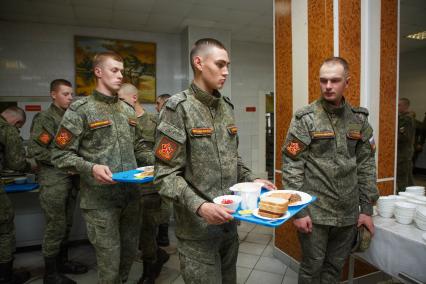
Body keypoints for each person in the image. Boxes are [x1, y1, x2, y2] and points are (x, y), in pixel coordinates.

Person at [154, 38, 276, 284]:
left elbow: (233, 157)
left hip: (229, 225)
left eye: (228, 65)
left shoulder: (226, 107)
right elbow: (164, 175)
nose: (226, 71)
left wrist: (252, 179)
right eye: (220, 64)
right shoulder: (177, 109)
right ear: (198, 63)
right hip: (197, 230)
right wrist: (200, 206)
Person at [51, 51, 147, 283]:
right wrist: (90, 167)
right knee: (110, 263)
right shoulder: (81, 109)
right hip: (100, 201)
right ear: (98, 72)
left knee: (128, 257)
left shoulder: (127, 110)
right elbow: (59, 154)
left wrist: (155, 161)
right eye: (114, 70)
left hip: (131, 199)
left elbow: (139, 147)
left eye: (122, 71)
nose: (120, 75)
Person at [282, 57, 379, 283]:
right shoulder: (305, 118)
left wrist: (366, 209)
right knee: (311, 268)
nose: (328, 86)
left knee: (335, 269)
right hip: (314, 214)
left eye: (334, 80)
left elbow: (366, 166)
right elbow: (292, 165)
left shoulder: (359, 119)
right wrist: (298, 211)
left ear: (347, 82)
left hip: (348, 214)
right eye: (323, 80)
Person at [28, 79, 88, 284]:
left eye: (71, 94)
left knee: (66, 223)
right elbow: (36, 150)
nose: (70, 98)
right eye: (65, 94)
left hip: (71, 180)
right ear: (53, 94)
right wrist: (65, 163)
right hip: (54, 180)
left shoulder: (71, 118)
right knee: (56, 225)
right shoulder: (45, 118)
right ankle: (50, 274)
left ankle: (62, 263)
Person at [117, 84, 169, 284]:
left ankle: (150, 270)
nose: (118, 104)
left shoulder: (153, 121)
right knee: (134, 231)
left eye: (121, 100)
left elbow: (166, 151)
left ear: (134, 98)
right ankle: (156, 255)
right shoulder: (121, 122)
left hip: (148, 186)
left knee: (147, 229)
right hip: (126, 185)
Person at [0, 106, 31, 284]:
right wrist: (31, 166)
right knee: (4, 230)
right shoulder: (8, 130)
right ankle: (5, 277)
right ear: (17, 122)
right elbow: (16, 162)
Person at [154, 93, 172, 247]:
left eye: (158, 103)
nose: (156, 106)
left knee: (166, 203)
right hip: (153, 171)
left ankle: (163, 234)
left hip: (168, 171)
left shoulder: (170, 123)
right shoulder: (155, 120)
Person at [397, 98, 416, 192]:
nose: (397, 107)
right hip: (404, 152)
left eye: (399, 105)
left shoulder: (406, 119)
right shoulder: (402, 117)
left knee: (402, 176)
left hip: (403, 152)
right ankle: (413, 194)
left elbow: (404, 137)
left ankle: (403, 194)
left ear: (405, 106)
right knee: (407, 175)